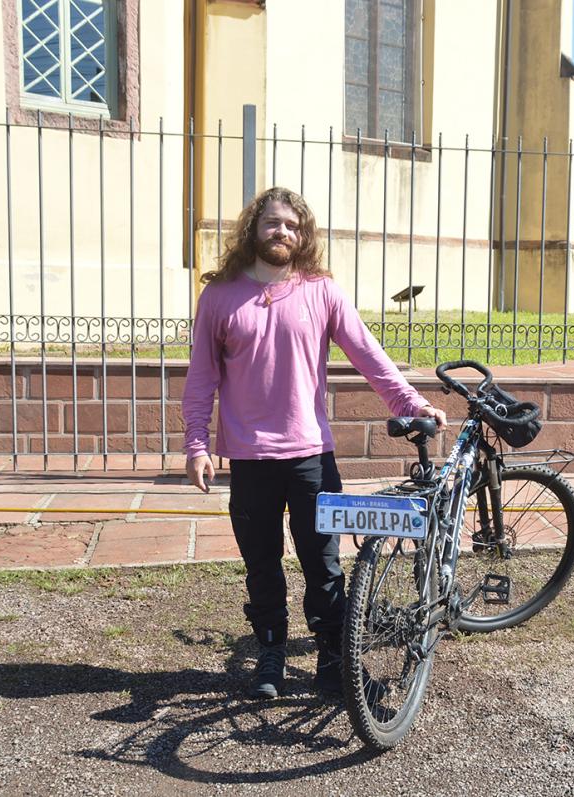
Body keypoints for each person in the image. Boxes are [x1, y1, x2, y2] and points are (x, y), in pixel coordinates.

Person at [181, 187, 447, 700]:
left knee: (323, 565)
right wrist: (196, 445)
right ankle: (272, 654)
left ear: (302, 235)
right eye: (272, 223)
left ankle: (332, 660)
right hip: (249, 459)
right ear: (253, 229)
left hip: (310, 457)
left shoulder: (321, 290)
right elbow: (200, 380)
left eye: (292, 226)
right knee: (261, 566)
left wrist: (412, 404)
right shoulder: (218, 296)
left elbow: (369, 356)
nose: (282, 232)